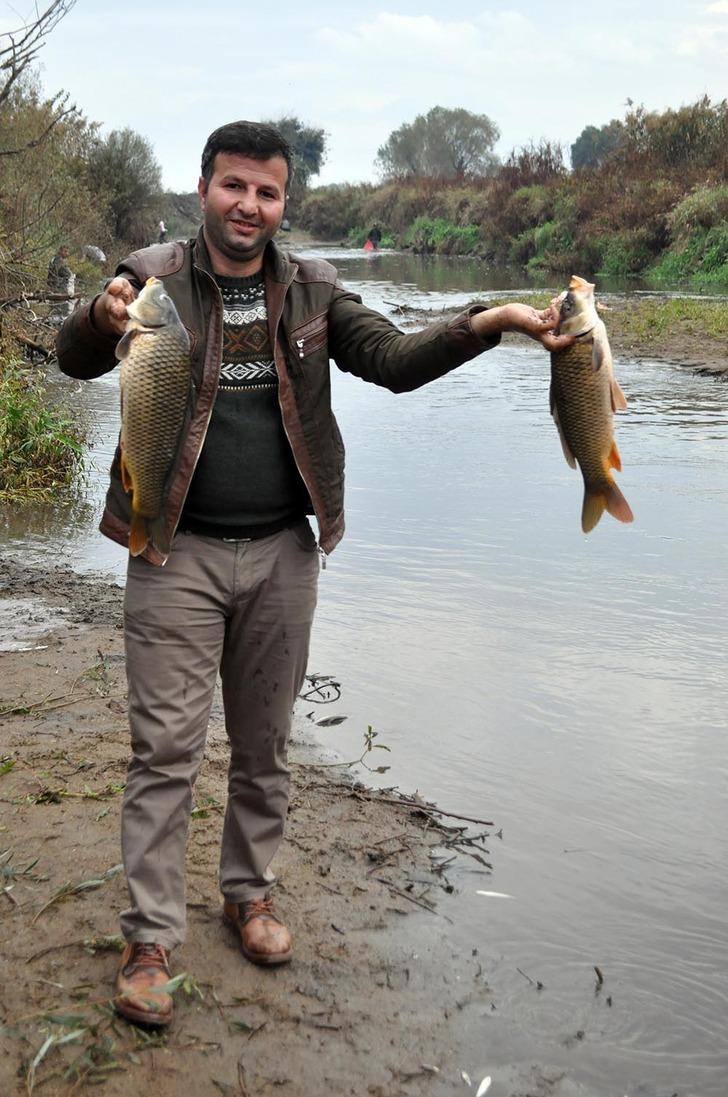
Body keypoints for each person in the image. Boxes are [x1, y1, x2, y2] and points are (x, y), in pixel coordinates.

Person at [56, 120, 572, 1028]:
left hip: (287, 552)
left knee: (265, 747)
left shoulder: (317, 289)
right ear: (204, 186)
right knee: (165, 753)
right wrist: (101, 318)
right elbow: (76, 353)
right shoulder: (152, 277)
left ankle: (247, 896)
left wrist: (491, 323)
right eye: (234, 187)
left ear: (283, 202)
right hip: (171, 549)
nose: (249, 206)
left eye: (267, 192)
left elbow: (397, 363)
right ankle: (149, 939)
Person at [47, 245, 75, 322]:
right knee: (60, 311)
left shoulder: (55, 259)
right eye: (65, 251)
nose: (67, 253)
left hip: (55, 287)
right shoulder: (58, 261)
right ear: (60, 251)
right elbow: (65, 274)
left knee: (55, 309)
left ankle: (53, 323)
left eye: (68, 251)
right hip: (58, 289)